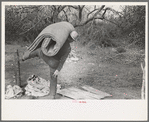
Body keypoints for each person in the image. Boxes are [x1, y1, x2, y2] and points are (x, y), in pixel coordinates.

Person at [22, 21, 78, 99]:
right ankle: (52, 95)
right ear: (71, 40)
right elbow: (63, 60)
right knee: (53, 77)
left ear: (68, 36)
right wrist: (58, 70)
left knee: (38, 51)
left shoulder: (59, 38)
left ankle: (24, 57)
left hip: (46, 56)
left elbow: (49, 40)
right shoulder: (68, 48)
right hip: (54, 63)